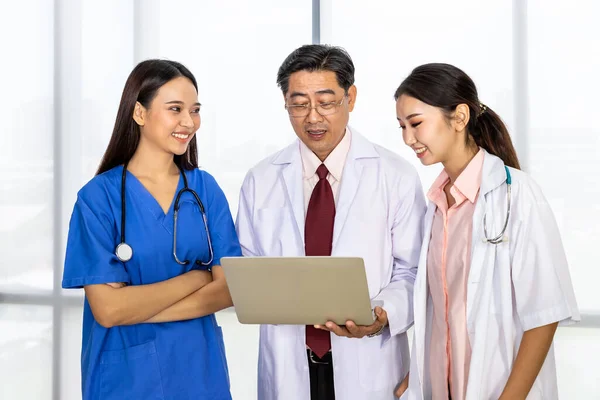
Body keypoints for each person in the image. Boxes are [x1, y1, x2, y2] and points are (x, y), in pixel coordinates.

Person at [235, 44, 426, 400]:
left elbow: (413, 271)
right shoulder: (260, 179)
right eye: (299, 104)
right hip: (288, 359)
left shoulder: (395, 175)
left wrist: (382, 314)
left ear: (350, 98)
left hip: (368, 362)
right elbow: (246, 270)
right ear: (285, 104)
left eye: (326, 102)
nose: (312, 117)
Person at [393, 63, 580, 400]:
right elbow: (442, 314)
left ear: (460, 117)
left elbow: (544, 317)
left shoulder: (516, 195)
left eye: (416, 123)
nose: (408, 138)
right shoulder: (435, 205)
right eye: (402, 126)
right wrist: (416, 376)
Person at [62, 59, 241, 400]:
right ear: (140, 113)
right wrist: (196, 279)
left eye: (195, 110)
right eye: (175, 109)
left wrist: (136, 308)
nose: (189, 122)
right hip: (125, 380)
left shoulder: (205, 190)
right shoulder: (98, 199)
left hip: (199, 373)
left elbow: (229, 290)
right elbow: (109, 310)